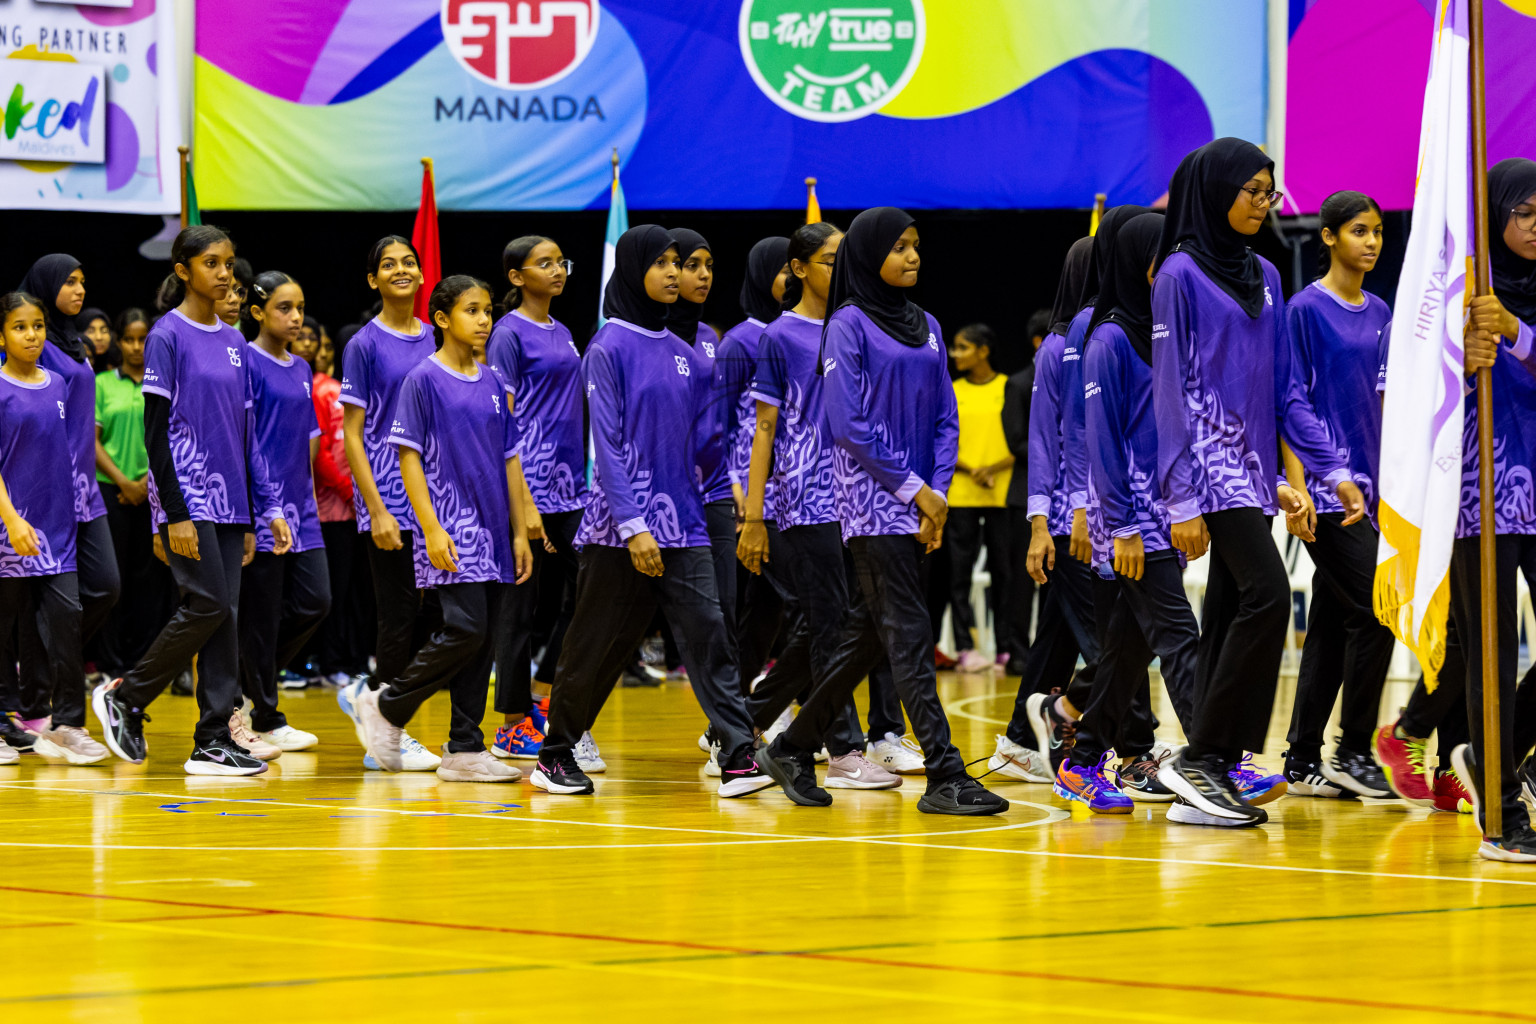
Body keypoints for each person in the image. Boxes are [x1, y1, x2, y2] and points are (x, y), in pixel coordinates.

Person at [755, 207, 1007, 815]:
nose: (913, 256)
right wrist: (912, 488)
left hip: (921, 504)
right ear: (869, 257)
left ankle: (790, 746)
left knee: (871, 638)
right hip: (873, 506)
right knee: (910, 638)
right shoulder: (846, 324)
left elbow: (946, 414)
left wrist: (937, 491)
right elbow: (848, 424)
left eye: (917, 245)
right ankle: (946, 772)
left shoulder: (927, 324)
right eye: (899, 247)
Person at [1150, 138, 1365, 827]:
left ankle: (1214, 764)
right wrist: (1180, 498)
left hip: (1249, 472)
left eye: (1269, 192)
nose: (1262, 203)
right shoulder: (1178, 273)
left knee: (1228, 612)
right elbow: (1171, 393)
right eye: (1251, 191)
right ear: (1216, 192)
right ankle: (1204, 757)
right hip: (1205, 468)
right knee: (1270, 597)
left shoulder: (1269, 274)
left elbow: (1285, 390)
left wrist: (1326, 469)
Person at [527, 225, 771, 799]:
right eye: (660, 262)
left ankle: (737, 754)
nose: (671, 271)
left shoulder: (687, 353)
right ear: (634, 269)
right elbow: (607, 445)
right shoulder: (608, 345)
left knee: (711, 633)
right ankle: (555, 753)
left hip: (684, 523)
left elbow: (702, 439)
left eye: (674, 262)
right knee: (597, 647)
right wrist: (635, 525)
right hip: (619, 531)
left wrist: (725, 488)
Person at [92, 226, 292, 776]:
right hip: (189, 496)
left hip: (231, 504)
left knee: (223, 617)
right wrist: (174, 511)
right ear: (183, 270)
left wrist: (253, 514)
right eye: (211, 263)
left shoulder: (233, 342)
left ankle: (211, 740)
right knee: (206, 604)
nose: (224, 273)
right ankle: (126, 696)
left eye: (228, 263)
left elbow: (243, 435)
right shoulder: (166, 335)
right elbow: (157, 434)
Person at [1403, 157, 1536, 861]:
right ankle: (1502, 809)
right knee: (1491, 657)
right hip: (1478, 495)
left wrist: (1514, 330)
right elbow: (1413, 377)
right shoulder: (1453, 289)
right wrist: (1460, 346)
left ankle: (1506, 762)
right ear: (1495, 216)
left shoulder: (1514, 302)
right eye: (1524, 213)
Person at [738, 220, 900, 792]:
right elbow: (762, 426)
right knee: (833, 625)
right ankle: (843, 749)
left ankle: (743, 723)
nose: (842, 270)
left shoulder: (859, 324)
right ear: (800, 269)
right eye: (831, 260)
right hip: (805, 500)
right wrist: (753, 516)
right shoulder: (779, 336)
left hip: (862, 499)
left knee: (841, 624)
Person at [354, 276, 534, 782]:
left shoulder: (495, 381)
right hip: (452, 523)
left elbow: (511, 460)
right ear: (441, 318)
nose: (484, 320)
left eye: (488, 310)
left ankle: (464, 748)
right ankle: (387, 704)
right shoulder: (423, 379)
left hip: (498, 527)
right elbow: (407, 457)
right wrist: (430, 527)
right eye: (472, 310)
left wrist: (520, 533)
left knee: (485, 637)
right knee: (465, 628)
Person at [1276, 190, 1395, 799]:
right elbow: (1290, 402)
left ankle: (1299, 760)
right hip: (1326, 494)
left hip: (1373, 494)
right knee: (1382, 606)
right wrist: (1298, 490)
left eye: (1376, 231)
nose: (1370, 241)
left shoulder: (1381, 311)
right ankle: (1354, 750)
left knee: (1331, 619)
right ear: (1327, 236)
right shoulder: (1303, 310)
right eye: (1357, 231)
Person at [1072, 210, 1190, 811]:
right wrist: (1122, 526)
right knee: (1179, 637)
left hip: (1165, 516)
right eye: (1158, 256)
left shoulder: (1162, 333)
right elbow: (1102, 444)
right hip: (1132, 525)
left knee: (1127, 648)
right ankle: (1211, 764)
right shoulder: (1109, 341)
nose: (1168, 267)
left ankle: (1084, 757)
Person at [992, 237, 1096, 784]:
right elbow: (1048, 442)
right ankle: (1131, 746)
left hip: (1094, 515)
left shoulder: (1107, 341)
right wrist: (1044, 523)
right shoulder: (1058, 350)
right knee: (1109, 642)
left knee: (1056, 636)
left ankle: (1018, 740)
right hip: (1067, 518)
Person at [336, 236, 441, 772]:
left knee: (436, 614)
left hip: (438, 502)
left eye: (409, 262)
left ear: (423, 276)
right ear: (373, 280)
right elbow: (352, 433)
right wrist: (374, 507)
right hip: (389, 497)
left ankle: (373, 696)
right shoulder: (364, 344)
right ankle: (389, 733)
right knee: (399, 615)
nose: (401, 270)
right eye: (387, 265)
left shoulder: (437, 337)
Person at [485, 235, 586, 764]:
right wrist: (521, 503)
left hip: (571, 486)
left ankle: (543, 693)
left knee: (584, 591)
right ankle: (509, 723)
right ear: (517, 276)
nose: (557, 270)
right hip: (529, 486)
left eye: (560, 260)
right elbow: (503, 418)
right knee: (519, 605)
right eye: (544, 263)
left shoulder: (564, 331)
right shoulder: (507, 334)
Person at [0, 292, 108, 764]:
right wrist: (11, 518)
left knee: (67, 623)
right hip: (10, 531)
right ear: (2, 335)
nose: (32, 335)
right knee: (3, 630)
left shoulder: (58, 384)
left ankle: (67, 725)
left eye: (38, 325)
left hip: (56, 532)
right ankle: (5, 720)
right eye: (20, 327)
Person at [17, 256, 121, 717]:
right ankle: (42, 695)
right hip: (43, 489)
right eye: (70, 282)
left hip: (85, 488)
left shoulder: (75, 343)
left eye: (83, 281)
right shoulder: (32, 343)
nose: (79, 290)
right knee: (49, 602)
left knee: (106, 586)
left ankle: (39, 655)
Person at [235, 272, 330, 754]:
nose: (296, 318)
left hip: (302, 507)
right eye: (284, 308)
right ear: (257, 312)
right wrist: (260, 508)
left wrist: (304, 494)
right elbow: (244, 439)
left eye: (300, 307)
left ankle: (248, 677)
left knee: (316, 600)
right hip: (261, 505)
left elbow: (309, 439)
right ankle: (267, 716)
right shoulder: (245, 362)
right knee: (262, 615)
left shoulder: (300, 368)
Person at [93, 308, 170, 680]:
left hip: (155, 492)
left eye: (143, 339)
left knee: (151, 580)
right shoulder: (103, 383)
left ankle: (142, 659)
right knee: (114, 579)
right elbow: (90, 443)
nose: (137, 347)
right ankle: (110, 662)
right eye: (129, 339)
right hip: (113, 491)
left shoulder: (162, 381)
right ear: (119, 342)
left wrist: (145, 485)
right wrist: (125, 483)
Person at [945, 323, 1014, 673]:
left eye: (963, 347)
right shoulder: (952, 390)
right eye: (954, 348)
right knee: (959, 575)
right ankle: (965, 648)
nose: (956, 354)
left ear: (984, 350)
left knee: (1005, 572)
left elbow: (1023, 438)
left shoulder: (1008, 387)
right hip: (961, 496)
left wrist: (993, 468)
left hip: (1002, 495)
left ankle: (1005, 648)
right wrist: (972, 469)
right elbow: (941, 438)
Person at [997, 308, 1049, 673]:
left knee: (1055, 582)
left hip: (1058, 497)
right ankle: (1017, 651)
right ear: (1038, 341)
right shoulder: (1018, 382)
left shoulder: (1068, 379)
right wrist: (1057, 448)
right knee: (1020, 580)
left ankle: (1049, 653)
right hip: (1023, 495)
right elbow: (1015, 441)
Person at [78, 307, 114, 372]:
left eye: (104, 330)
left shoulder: (117, 372)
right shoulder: (74, 370)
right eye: (90, 331)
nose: (99, 337)